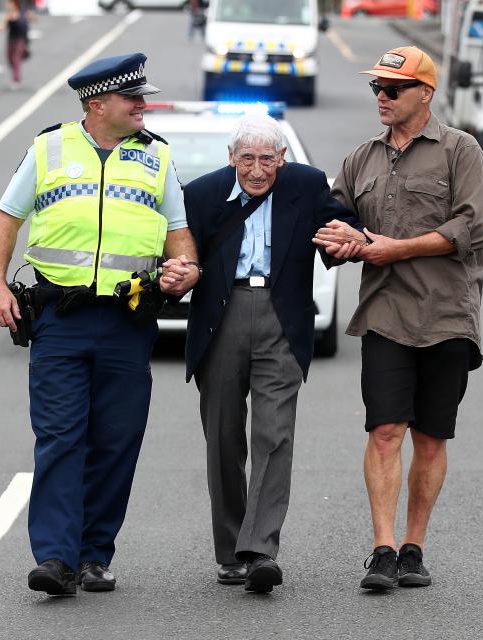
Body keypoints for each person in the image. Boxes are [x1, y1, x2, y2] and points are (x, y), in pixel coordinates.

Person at [0, 53, 200, 596]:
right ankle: (55, 558)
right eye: (134, 99)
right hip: (60, 318)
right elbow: (4, 222)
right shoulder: (48, 148)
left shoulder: (157, 158)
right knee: (59, 436)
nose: (143, 106)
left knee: (116, 440)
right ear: (97, 104)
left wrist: (187, 270)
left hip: (128, 321)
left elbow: (179, 231)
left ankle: (94, 554)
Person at [315, 46, 483, 590]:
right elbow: (333, 219)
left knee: (431, 438)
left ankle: (415, 545)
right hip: (385, 315)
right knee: (386, 430)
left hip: (446, 318)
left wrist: (397, 249)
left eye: (393, 89)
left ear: (425, 93)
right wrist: (339, 237)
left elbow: (470, 229)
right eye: (376, 88)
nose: (381, 98)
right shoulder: (360, 159)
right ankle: (383, 548)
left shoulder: (461, 152)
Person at [181, 114, 363, 594]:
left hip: (282, 318)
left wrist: (346, 239)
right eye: (247, 159)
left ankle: (260, 549)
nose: (257, 170)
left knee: (274, 433)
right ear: (231, 158)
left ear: (282, 159)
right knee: (222, 436)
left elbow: (342, 224)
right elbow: (178, 253)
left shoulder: (304, 185)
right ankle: (230, 552)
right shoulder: (201, 195)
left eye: (267, 159)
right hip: (223, 316)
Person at [4, 0, 32, 90]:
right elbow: (3, 27)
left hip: (20, 40)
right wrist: (7, 18)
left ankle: (16, 80)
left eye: (9, 3)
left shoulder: (22, 13)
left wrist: (26, 43)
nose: (8, 5)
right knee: (10, 59)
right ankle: (15, 77)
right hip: (11, 40)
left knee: (16, 59)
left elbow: (26, 26)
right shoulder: (8, 15)